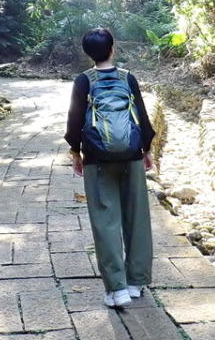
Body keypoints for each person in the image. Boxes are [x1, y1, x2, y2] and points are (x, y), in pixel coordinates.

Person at [65, 27, 156, 309]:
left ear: (87, 53)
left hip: (97, 159)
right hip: (130, 154)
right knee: (136, 217)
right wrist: (147, 149)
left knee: (105, 222)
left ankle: (117, 290)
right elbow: (141, 114)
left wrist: (75, 151)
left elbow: (75, 119)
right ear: (113, 49)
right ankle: (136, 282)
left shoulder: (83, 81)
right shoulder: (128, 78)